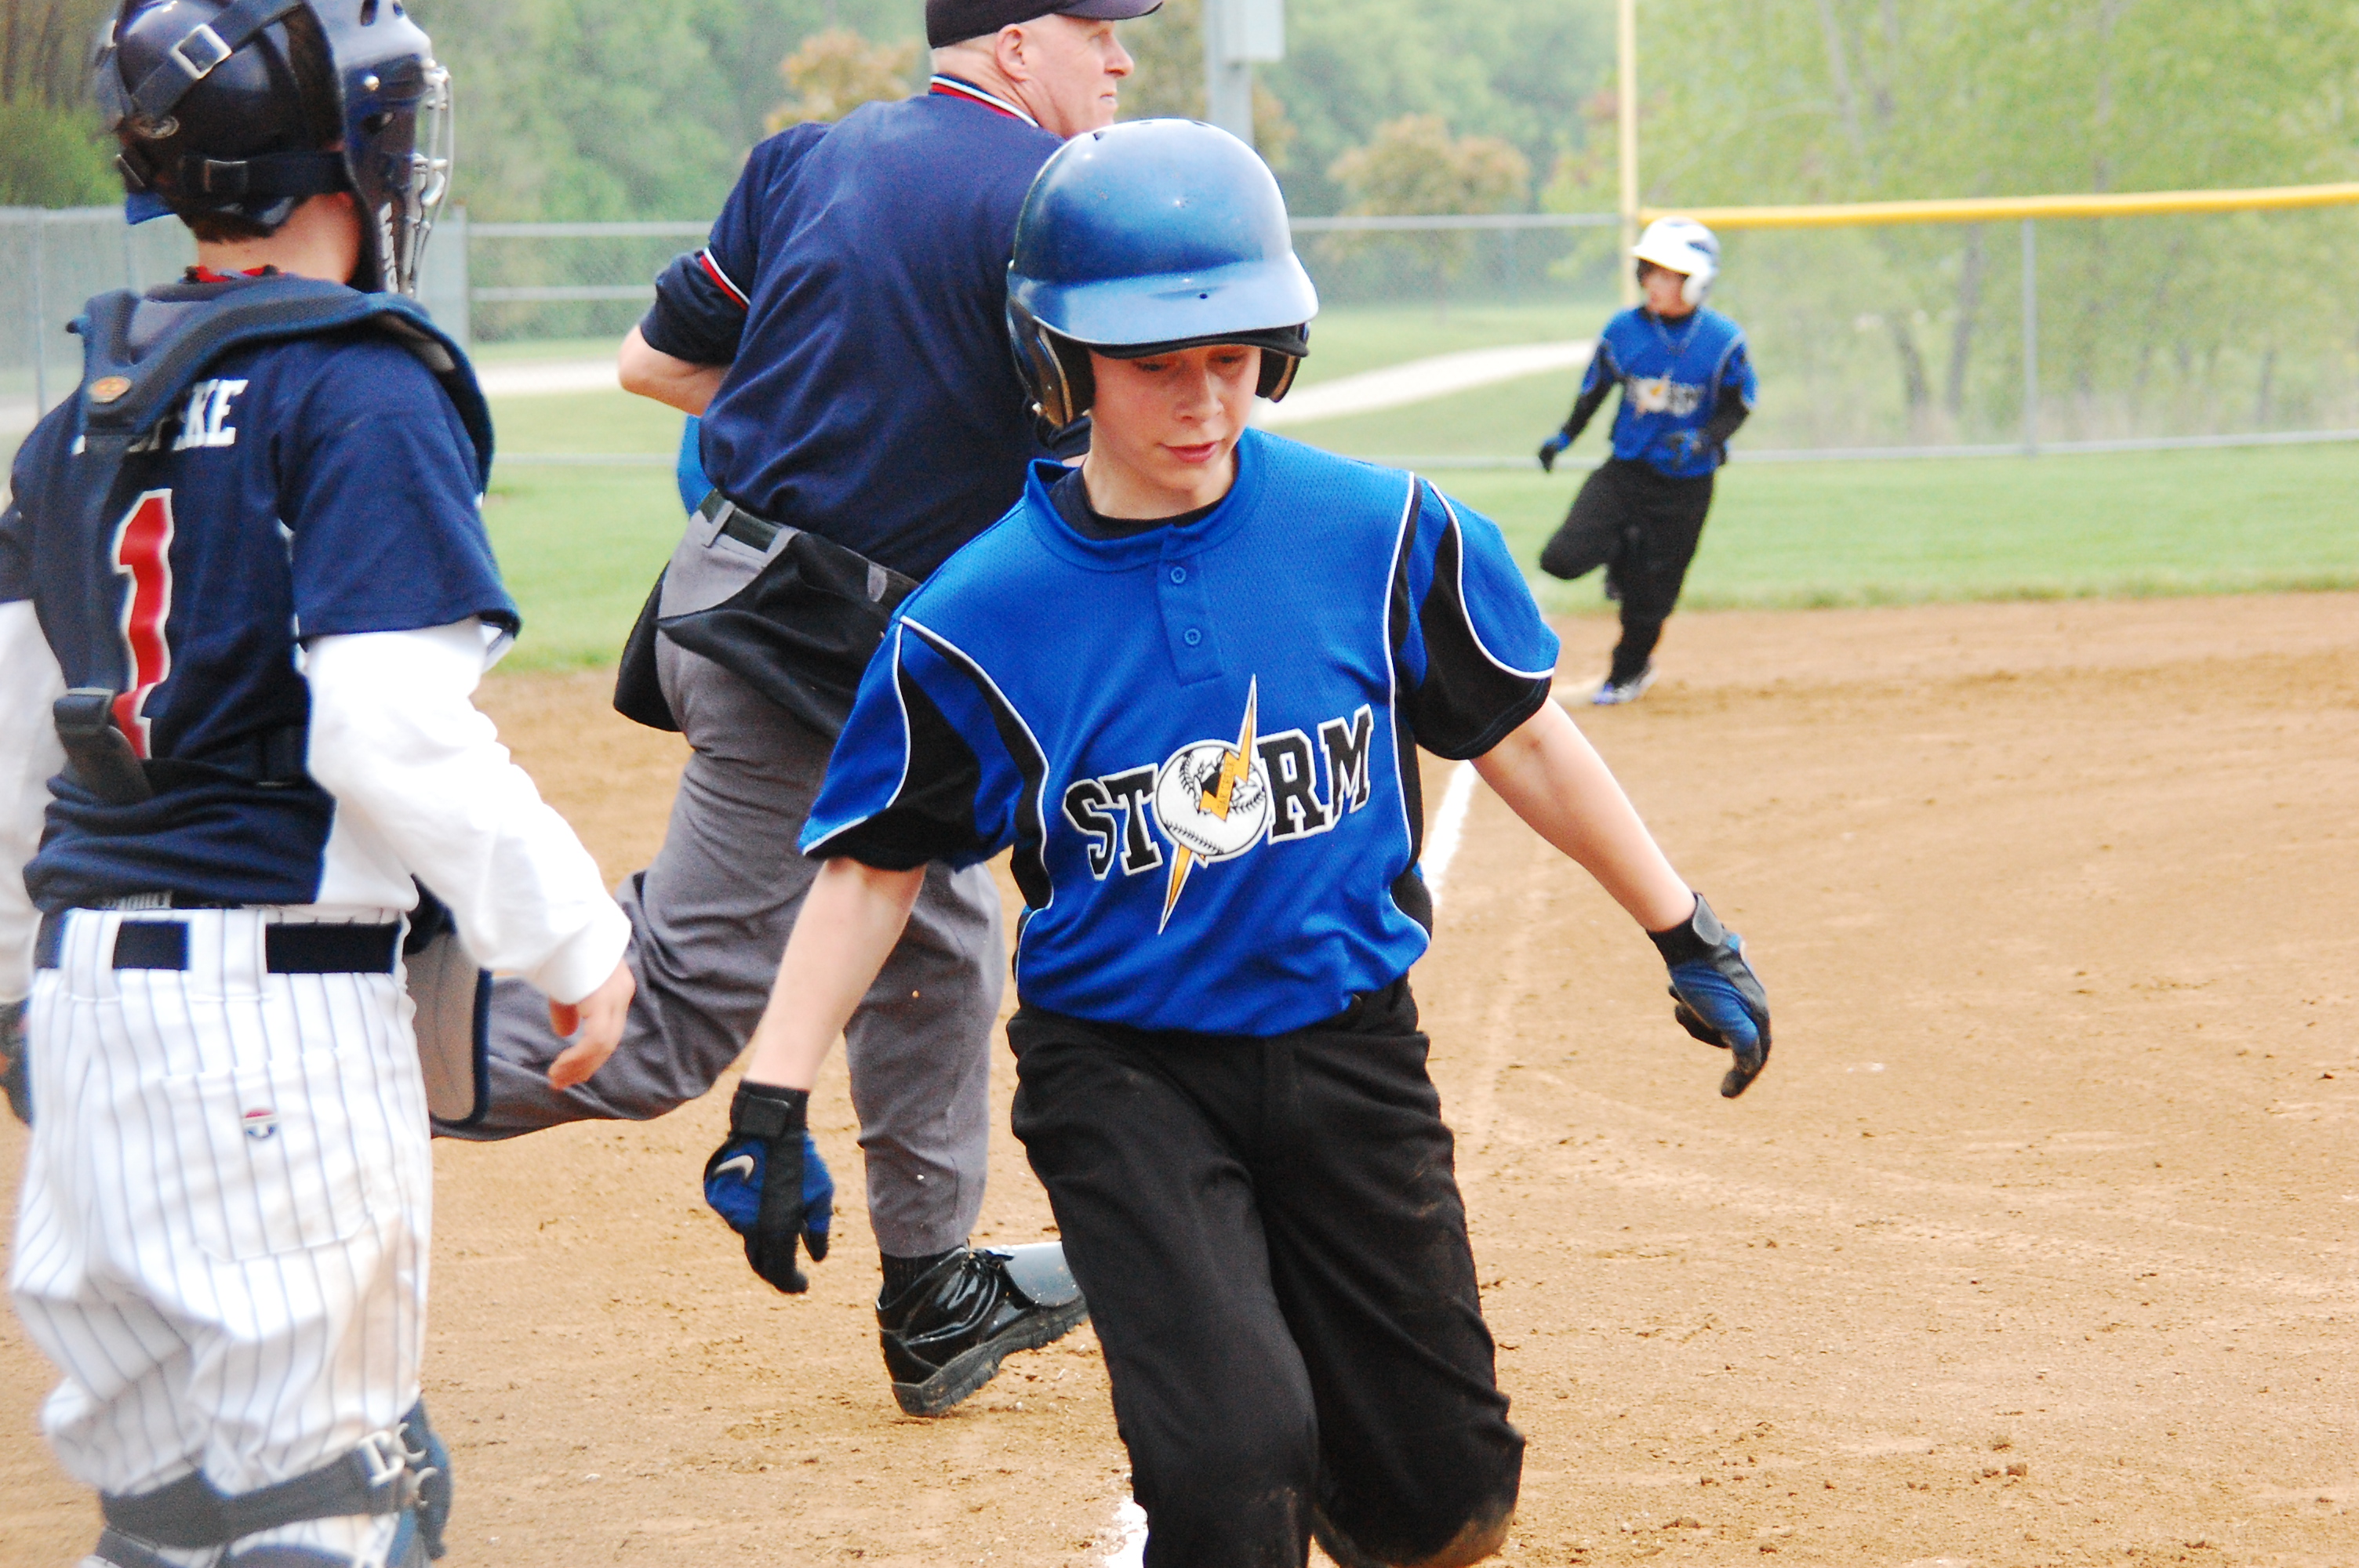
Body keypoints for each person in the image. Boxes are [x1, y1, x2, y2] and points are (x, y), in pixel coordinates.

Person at [714, 120, 1776, 1568]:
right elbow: (873, 866)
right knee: (1229, 1479)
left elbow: (1521, 735)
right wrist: (771, 1098)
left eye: (1232, 356)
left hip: (1350, 1049)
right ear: (1058, 361)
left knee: (1446, 1509)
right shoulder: (976, 619)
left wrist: (1683, 927)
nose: (1202, 400)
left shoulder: (1380, 533)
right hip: (1124, 1072)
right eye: (1154, 362)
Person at [442, 0, 1161, 1418]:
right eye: (1096, 31)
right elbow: (1117, 453)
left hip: (764, 603)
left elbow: (655, 362)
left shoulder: (807, 158)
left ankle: (931, 1291)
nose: (1122, 59)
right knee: (673, 1012)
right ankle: (332, 1061)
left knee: (935, 935)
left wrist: (826, 411)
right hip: (805, 651)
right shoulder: (1054, 200)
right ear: (1016, 45)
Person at [0, 4, 637, 1566]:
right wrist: (573, 938)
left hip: (83, 1010)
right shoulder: (358, 385)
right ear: (347, 153)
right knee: (328, 1504)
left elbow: (16, 742)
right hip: (268, 1022)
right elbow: (385, 727)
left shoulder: (77, 417)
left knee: (162, 1513)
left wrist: (19, 993)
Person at [1536, 218, 1757, 705]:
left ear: (1696, 280)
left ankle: (1629, 674)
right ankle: (1622, 557)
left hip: (1686, 486)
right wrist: (1565, 436)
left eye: (1667, 275)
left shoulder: (1723, 340)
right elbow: (1594, 390)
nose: (1652, 283)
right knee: (1561, 559)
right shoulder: (1625, 330)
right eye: (1649, 272)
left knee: (1651, 599)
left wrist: (1704, 439)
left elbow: (1740, 403)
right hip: (1625, 473)